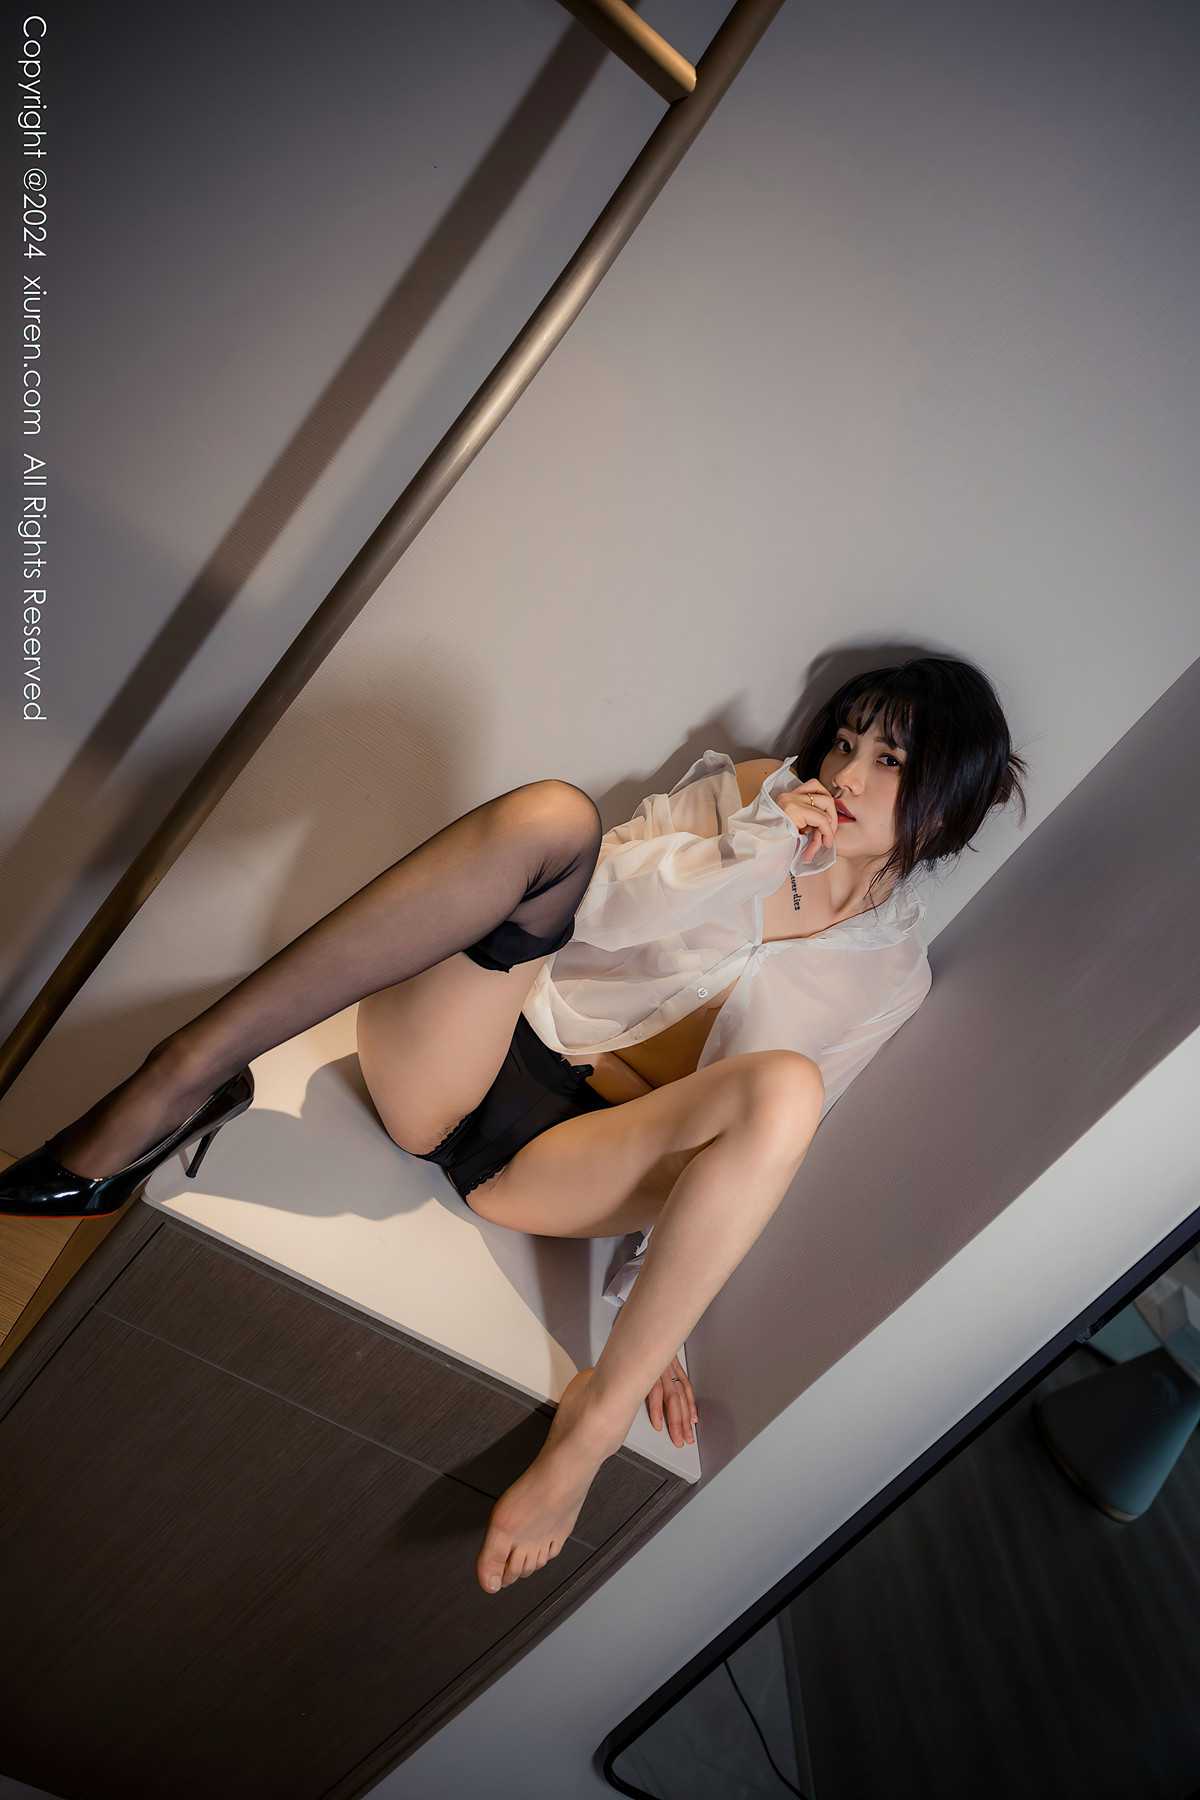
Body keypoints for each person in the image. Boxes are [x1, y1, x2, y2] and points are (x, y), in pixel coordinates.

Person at [0, 654, 1028, 1597]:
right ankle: (184, 1073)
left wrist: (658, 1320)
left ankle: (592, 1428)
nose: (845, 773)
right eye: (845, 740)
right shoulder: (752, 796)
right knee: (551, 820)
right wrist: (749, 854)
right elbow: (592, 910)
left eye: (888, 760)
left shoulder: (893, 979)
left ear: (948, 801)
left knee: (791, 1090)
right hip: (473, 1048)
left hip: (573, 1161)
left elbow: (766, 1144)